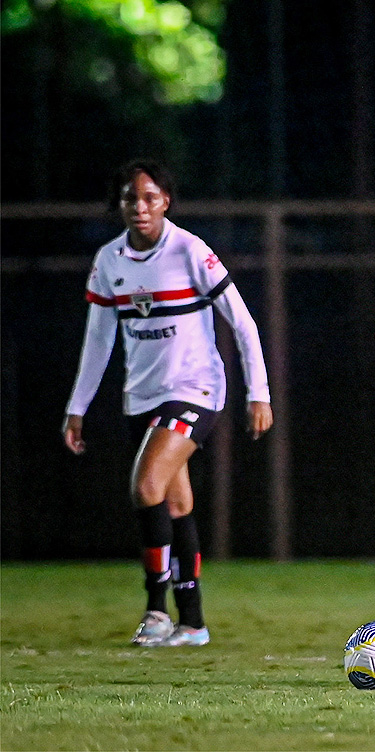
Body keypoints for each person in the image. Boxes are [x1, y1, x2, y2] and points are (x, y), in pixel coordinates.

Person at [63, 160, 273, 647]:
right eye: (130, 198)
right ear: (120, 205)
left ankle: (156, 611)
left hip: (196, 389)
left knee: (147, 484)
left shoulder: (190, 251)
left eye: (150, 197)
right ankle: (193, 622)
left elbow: (243, 324)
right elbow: (98, 342)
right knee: (175, 502)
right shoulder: (109, 260)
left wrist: (257, 393)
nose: (140, 207)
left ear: (166, 202)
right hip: (141, 395)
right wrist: (78, 406)